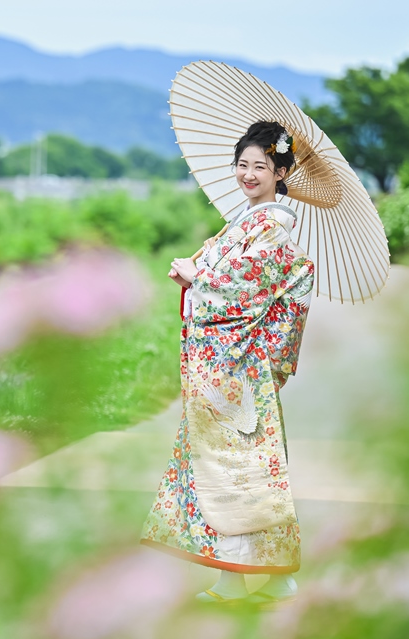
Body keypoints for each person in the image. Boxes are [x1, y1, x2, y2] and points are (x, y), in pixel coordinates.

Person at [140, 121, 315, 605]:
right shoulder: (248, 221)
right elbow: (224, 283)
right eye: (243, 164)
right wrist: (195, 278)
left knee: (230, 468)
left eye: (261, 165)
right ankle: (277, 577)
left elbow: (239, 292)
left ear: (282, 172)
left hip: (237, 369)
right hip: (232, 367)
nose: (249, 174)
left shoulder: (272, 228)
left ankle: (234, 581)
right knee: (253, 467)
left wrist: (199, 278)